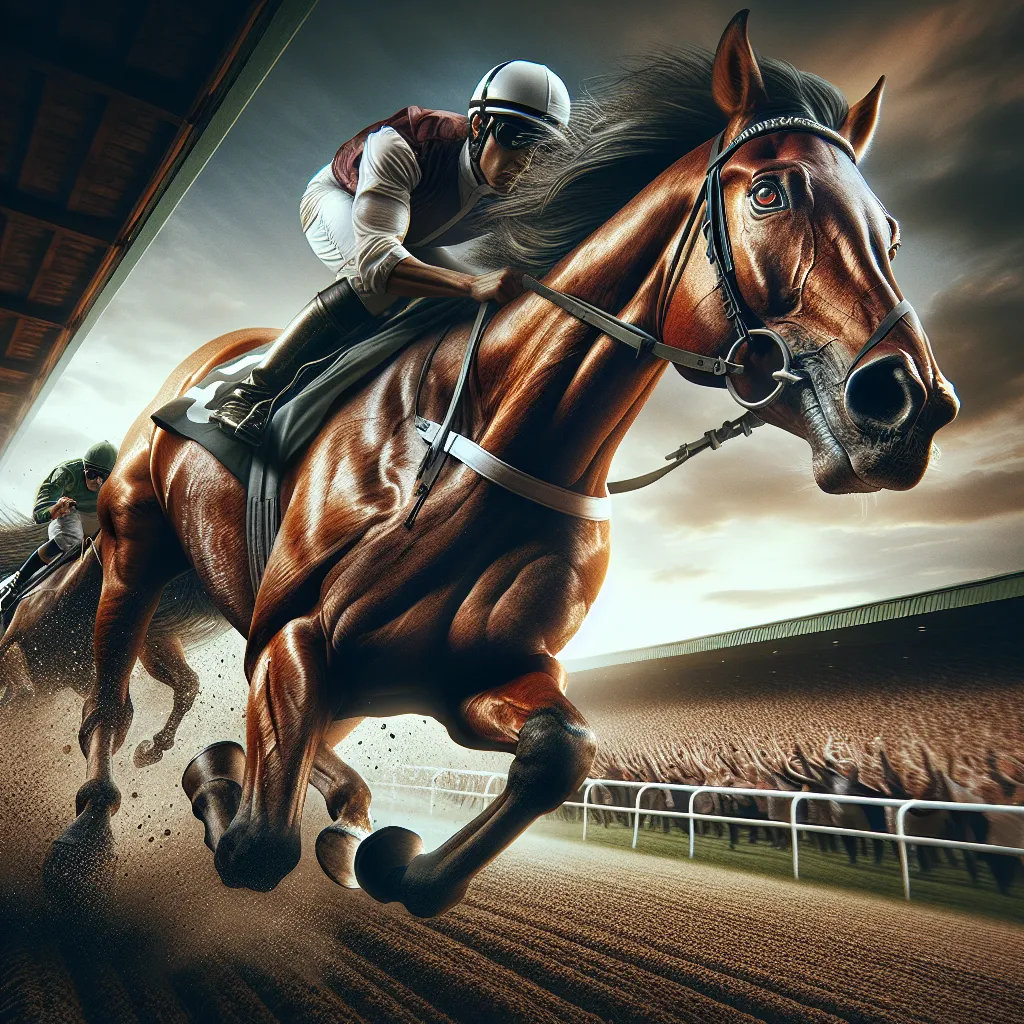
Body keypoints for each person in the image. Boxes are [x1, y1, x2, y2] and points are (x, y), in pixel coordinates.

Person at [211, 60, 571, 447]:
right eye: (516, 137)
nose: (527, 162)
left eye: (544, 148)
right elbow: (378, 261)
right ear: (480, 125)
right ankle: (253, 394)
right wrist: (469, 283)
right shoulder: (403, 143)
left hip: (408, 236)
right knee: (379, 285)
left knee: (471, 307)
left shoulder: (531, 189)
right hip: (340, 202)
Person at [0, 440, 118, 614]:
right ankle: (17, 583)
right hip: (70, 510)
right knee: (72, 538)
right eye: (92, 474)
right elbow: (40, 512)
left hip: (97, 516)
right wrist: (54, 510)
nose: (97, 482)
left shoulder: (118, 481)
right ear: (83, 468)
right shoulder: (66, 473)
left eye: (103, 476)